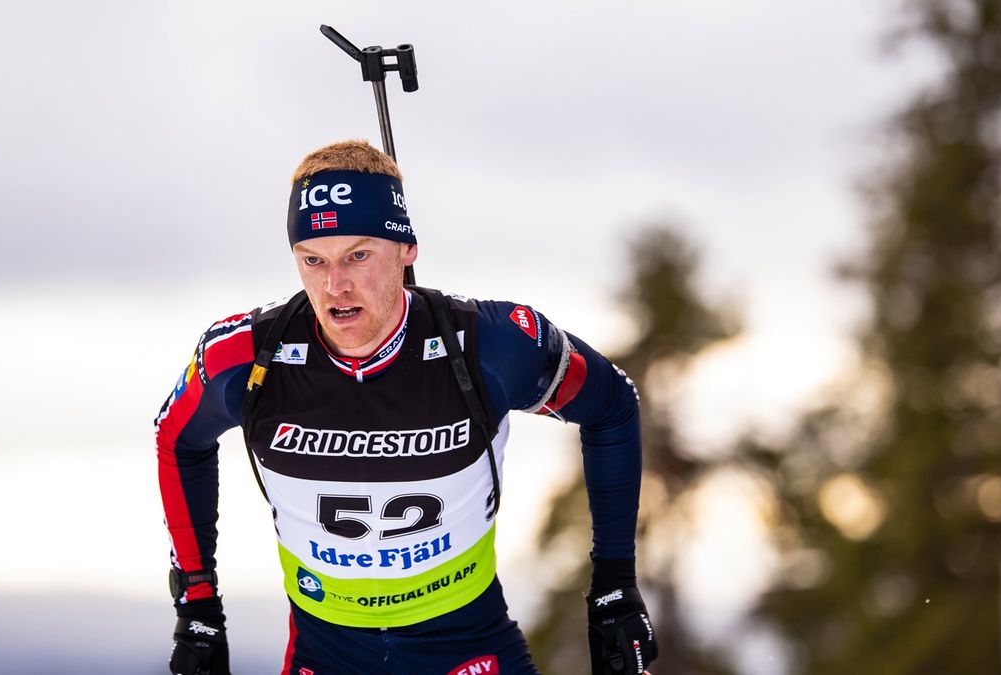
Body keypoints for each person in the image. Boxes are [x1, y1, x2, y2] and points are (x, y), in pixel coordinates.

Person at [155, 139, 658, 675]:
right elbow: (177, 439)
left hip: (466, 645)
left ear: (406, 249)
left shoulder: (491, 344)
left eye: (359, 254)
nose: (335, 285)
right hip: (327, 653)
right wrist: (197, 603)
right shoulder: (244, 356)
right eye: (313, 259)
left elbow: (612, 405)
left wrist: (614, 585)